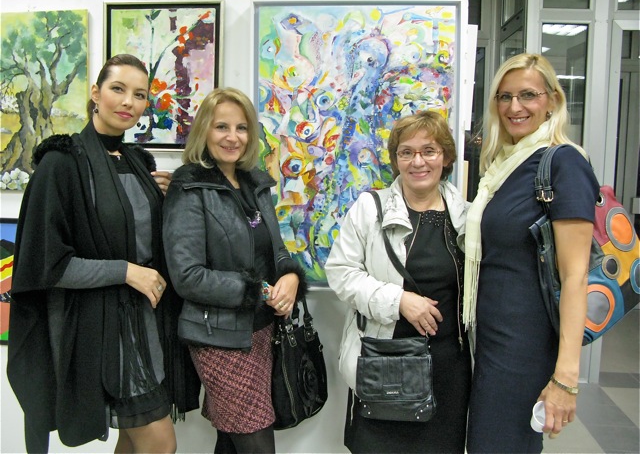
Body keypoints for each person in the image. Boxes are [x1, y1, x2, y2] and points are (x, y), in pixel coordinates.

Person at [7, 54, 200, 453]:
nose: (129, 101)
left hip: (145, 324)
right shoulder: (61, 163)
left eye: (140, 95)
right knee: (160, 443)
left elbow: (141, 237)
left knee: (133, 440)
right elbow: (48, 265)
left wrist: (162, 199)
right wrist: (126, 271)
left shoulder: (137, 164)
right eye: (118, 89)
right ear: (96, 93)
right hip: (103, 331)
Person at [463, 53, 600, 452]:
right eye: (504, 97)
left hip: (523, 347)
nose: (514, 107)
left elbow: (575, 276)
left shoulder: (564, 163)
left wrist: (565, 379)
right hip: (490, 341)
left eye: (527, 95)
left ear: (552, 101)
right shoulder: (503, 166)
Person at [163, 87, 307, 454]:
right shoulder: (189, 187)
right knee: (256, 441)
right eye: (221, 127)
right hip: (217, 338)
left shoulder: (255, 184)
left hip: (261, 331)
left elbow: (276, 250)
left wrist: (291, 276)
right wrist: (257, 290)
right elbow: (187, 276)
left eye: (241, 128)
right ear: (204, 132)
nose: (233, 137)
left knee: (232, 439)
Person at [325, 110, 471, 453]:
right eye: (406, 152)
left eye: (429, 151)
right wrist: (399, 301)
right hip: (385, 364)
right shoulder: (369, 209)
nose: (418, 161)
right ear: (396, 160)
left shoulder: (467, 217)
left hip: (448, 369)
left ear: (446, 157)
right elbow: (341, 272)